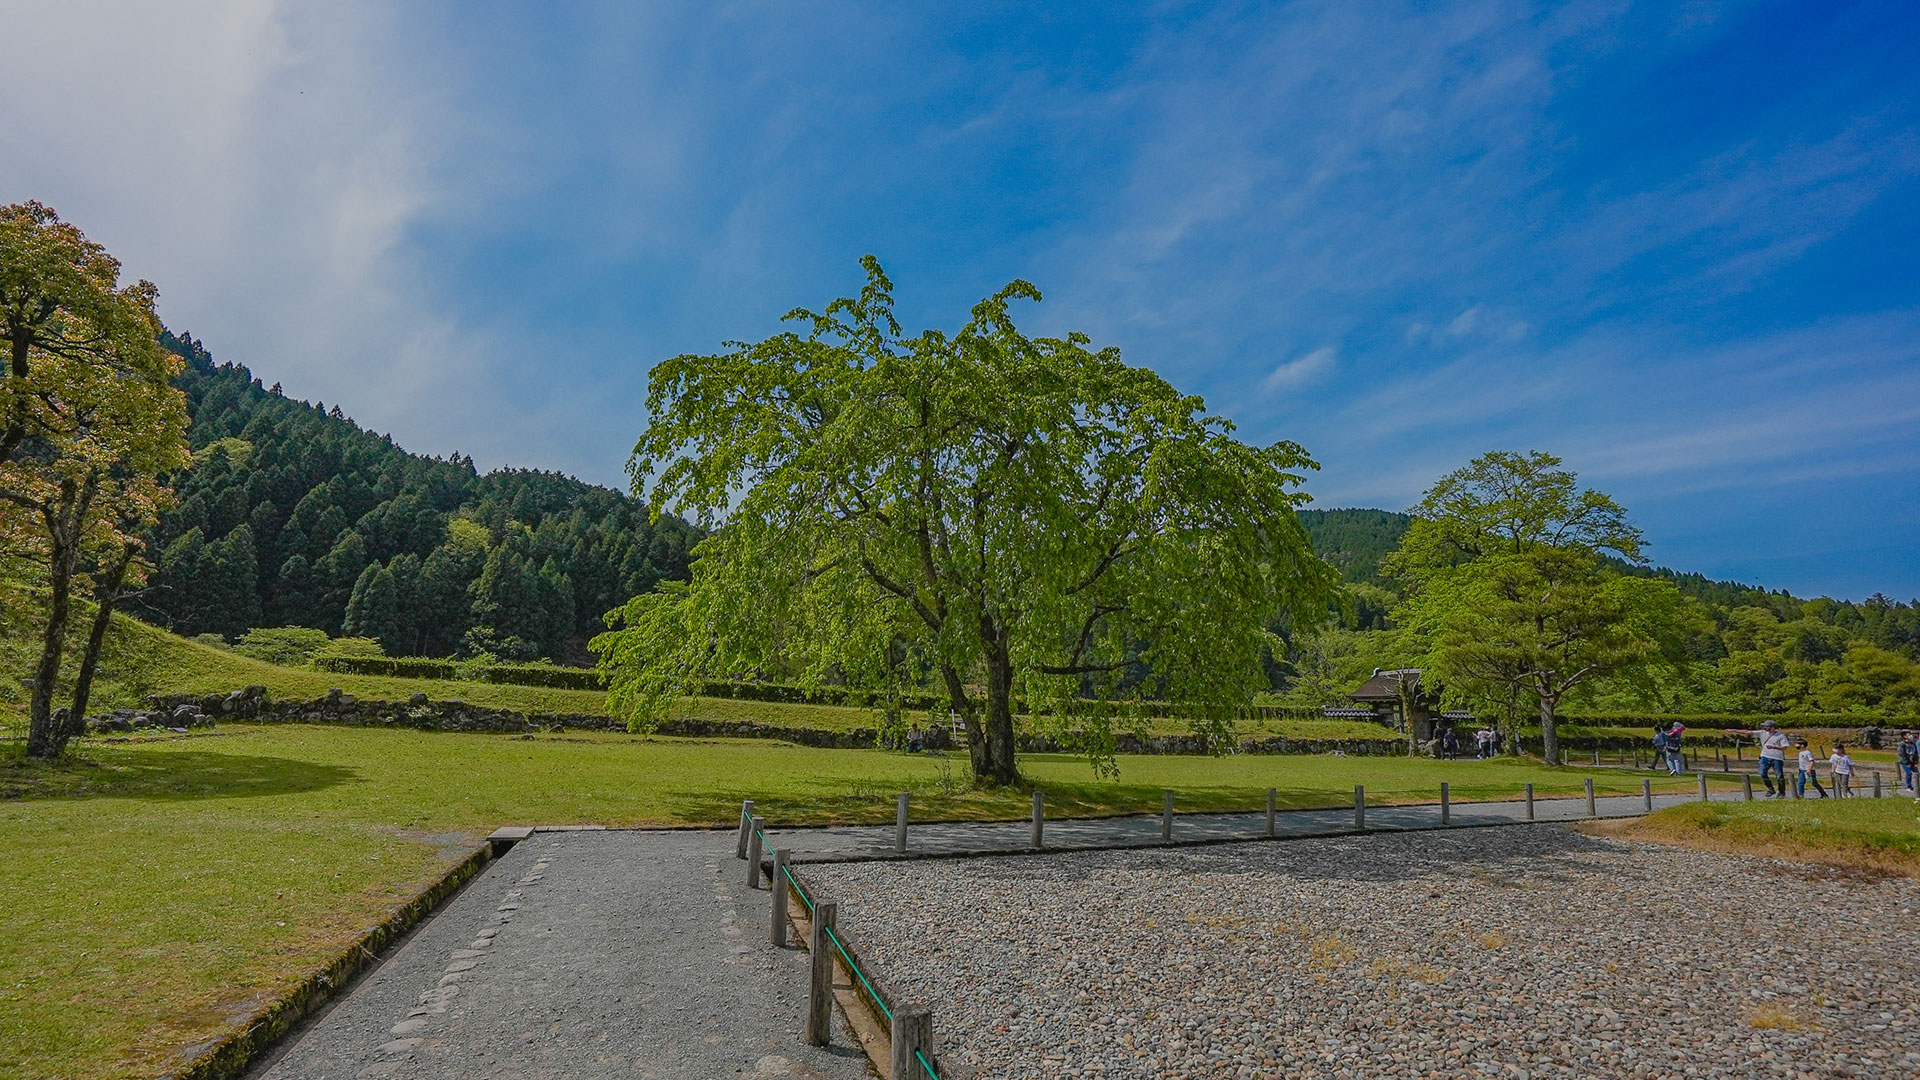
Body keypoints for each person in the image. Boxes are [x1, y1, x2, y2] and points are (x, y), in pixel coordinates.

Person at [1724, 719, 1793, 798]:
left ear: (1772, 727)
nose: (1765, 728)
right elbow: (1748, 732)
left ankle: (1781, 793)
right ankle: (1771, 789)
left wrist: (1774, 747)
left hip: (1777, 758)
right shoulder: (1762, 733)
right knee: (1762, 773)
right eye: (1764, 726)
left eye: (1767, 726)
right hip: (1765, 756)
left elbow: (1785, 747)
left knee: (1779, 776)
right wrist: (1734, 730)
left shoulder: (1780, 735)